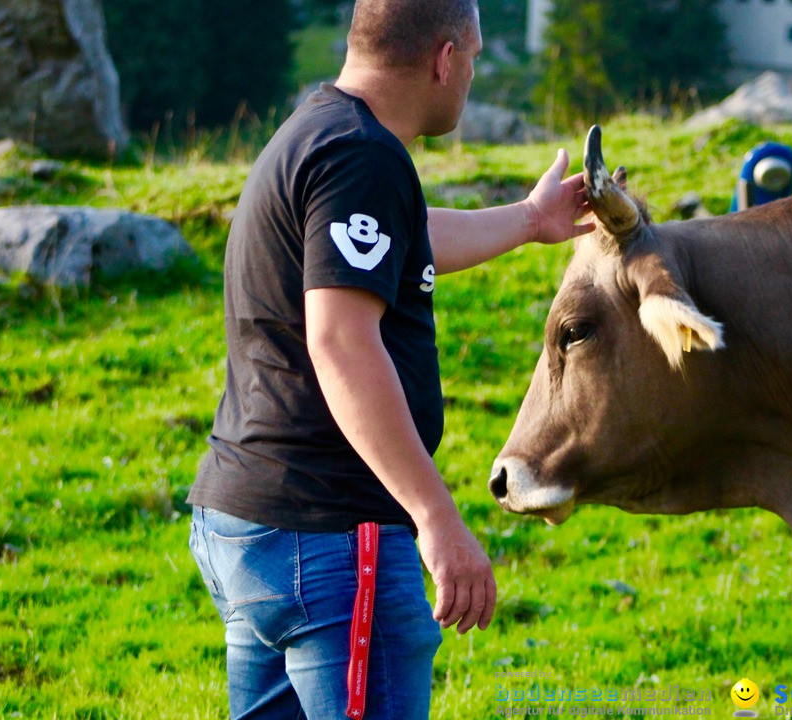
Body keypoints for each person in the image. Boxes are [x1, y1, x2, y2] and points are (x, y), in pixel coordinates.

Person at [186, 0, 593, 717]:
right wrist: (435, 517)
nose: (469, 76)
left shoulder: (322, 132)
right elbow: (341, 340)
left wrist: (531, 222)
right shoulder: (363, 156)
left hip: (250, 524)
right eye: (471, 58)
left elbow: (404, 235)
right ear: (444, 59)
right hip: (332, 539)